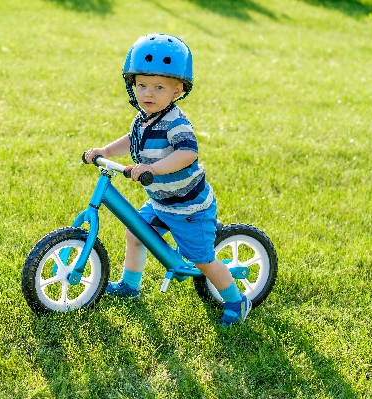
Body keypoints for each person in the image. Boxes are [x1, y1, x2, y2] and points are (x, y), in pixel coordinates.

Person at [84, 33, 250, 326]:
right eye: (142, 85)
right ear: (131, 85)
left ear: (177, 90)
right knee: (135, 234)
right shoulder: (143, 118)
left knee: (202, 260)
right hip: (162, 201)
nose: (148, 93)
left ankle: (237, 301)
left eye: (159, 87)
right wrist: (105, 151)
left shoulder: (176, 122)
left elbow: (187, 154)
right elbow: (131, 140)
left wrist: (154, 169)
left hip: (189, 208)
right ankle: (129, 286)